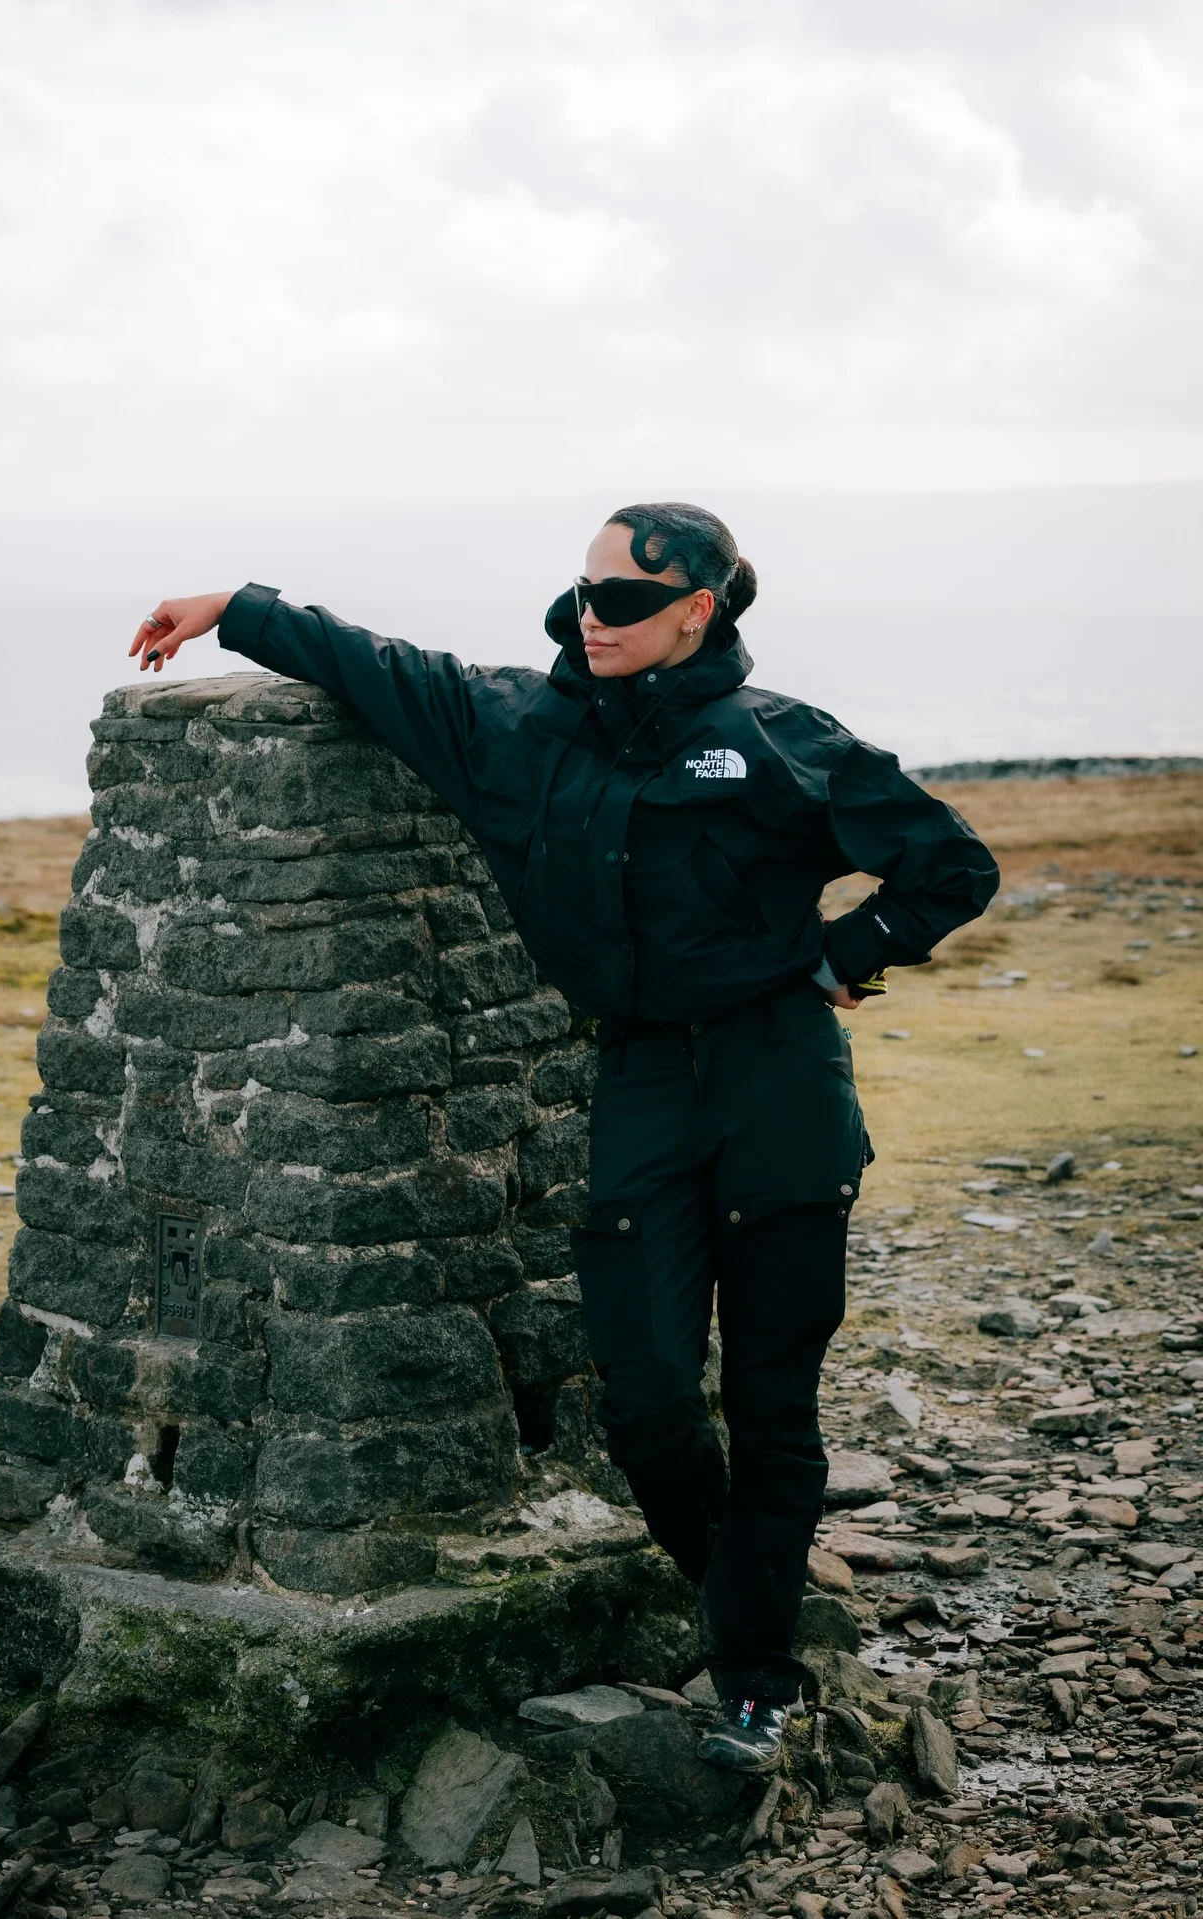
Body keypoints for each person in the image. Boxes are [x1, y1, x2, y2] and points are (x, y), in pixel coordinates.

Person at [127, 502, 999, 1773]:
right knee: (646, 1398)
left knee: (772, 1398)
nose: (593, 616)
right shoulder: (519, 725)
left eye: (625, 600)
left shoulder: (781, 740)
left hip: (779, 1081)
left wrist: (842, 957)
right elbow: (388, 669)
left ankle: (754, 1680)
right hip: (640, 1080)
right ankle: (744, 1591)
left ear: (698, 611)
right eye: (584, 591)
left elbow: (951, 864)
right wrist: (234, 610)